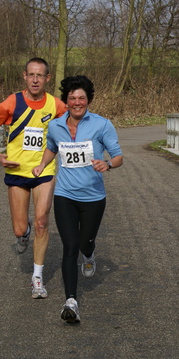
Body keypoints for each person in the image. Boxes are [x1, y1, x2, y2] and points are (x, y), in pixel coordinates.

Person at [32, 75, 123, 324]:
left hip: (93, 197)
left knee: (85, 243)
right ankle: (71, 300)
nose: (77, 102)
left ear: (89, 100)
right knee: (70, 247)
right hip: (65, 195)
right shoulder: (56, 125)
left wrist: (107, 164)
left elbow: (118, 156)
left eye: (81, 98)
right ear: (67, 101)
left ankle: (90, 253)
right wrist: (42, 165)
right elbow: (52, 146)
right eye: (72, 98)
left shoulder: (102, 125)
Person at [0, 57, 67, 300]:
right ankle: (25, 232)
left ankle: (37, 278)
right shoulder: (13, 101)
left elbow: (75, 119)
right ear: (24, 76)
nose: (35, 79)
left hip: (44, 171)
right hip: (17, 171)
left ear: (47, 79)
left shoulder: (56, 105)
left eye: (40, 75)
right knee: (19, 228)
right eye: (31, 75)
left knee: (43, 220)